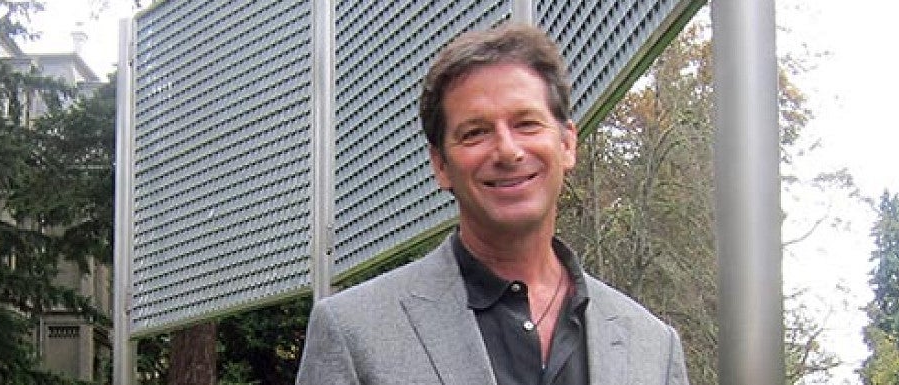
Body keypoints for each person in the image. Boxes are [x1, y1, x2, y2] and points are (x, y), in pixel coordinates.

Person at [295, 24, 690, 385]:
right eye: (475, 132)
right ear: (441, 166)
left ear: (567, 143)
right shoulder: (354, 332)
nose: (507, 150)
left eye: (526, 124)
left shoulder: (653, 348)